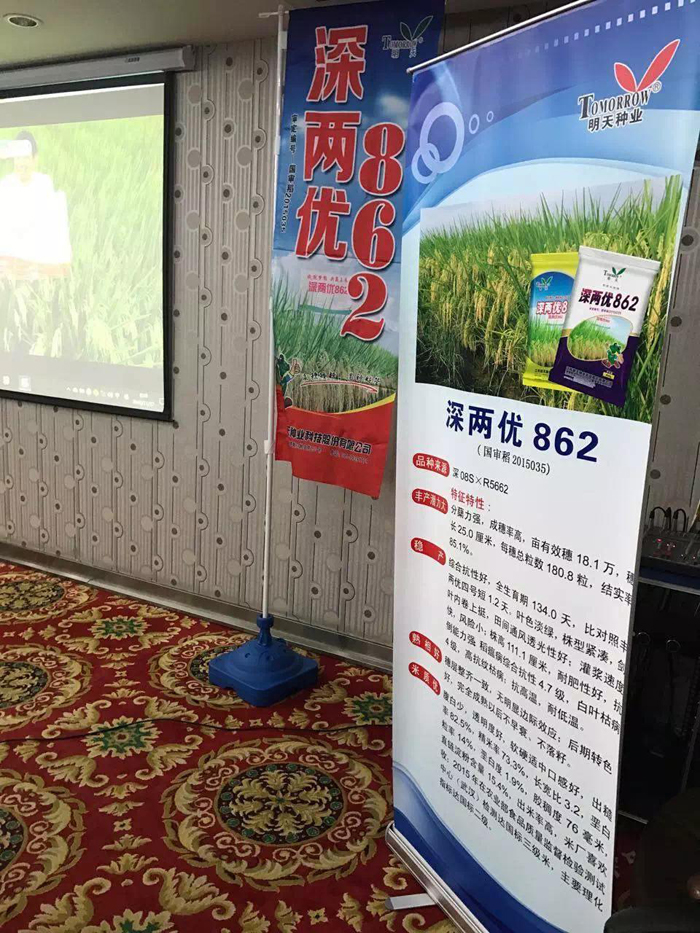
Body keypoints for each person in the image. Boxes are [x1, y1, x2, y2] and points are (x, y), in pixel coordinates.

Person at [0, 130, 71, 278]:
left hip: (35, 247)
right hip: (13, 247)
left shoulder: (44, 183)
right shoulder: (6, 184)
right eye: (18, 158)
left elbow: (49, 226)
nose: (21, 163)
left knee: (59, 201)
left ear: (34, 159)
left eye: (26, 158)